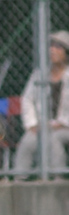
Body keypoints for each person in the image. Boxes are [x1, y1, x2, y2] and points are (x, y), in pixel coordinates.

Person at [14, 30, 69, 179]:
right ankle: (19, 181)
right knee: (27, 141)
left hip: (65, 127)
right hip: (43, 125)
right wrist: (32, 124)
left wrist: (63, 123)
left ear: (66, 52)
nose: (53, 50)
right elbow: (27, 99)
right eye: (51, 46)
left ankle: (58, 180)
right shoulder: (39, 74)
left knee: (53, 139)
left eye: (58, 47)